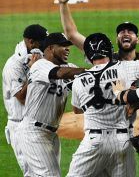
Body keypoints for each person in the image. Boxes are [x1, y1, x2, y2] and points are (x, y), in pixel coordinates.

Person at [66, 33, 139, 176]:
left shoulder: (79, 80)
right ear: (110, 51)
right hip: (122, 142)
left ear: (88, 56)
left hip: (94, 142)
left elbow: (77, 110)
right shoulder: (125, 68)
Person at [18, 33, 85, 176]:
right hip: (33, 132)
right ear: (50, 48)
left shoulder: (69, 67)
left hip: (51, 134)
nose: (67, 49)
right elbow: (60, 73)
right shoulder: (40, 65)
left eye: (68, 46)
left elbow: (83, 87)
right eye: (63, 46)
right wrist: (91, 71)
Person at [2, 24, 48, 176]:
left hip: (37, 126)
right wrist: (33, 71)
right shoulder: (13, 66)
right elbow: (22, 98)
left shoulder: (39, 58)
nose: (45, 45)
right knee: (32, 173)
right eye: (42, 42)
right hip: (20, 126)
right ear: (30, 42)